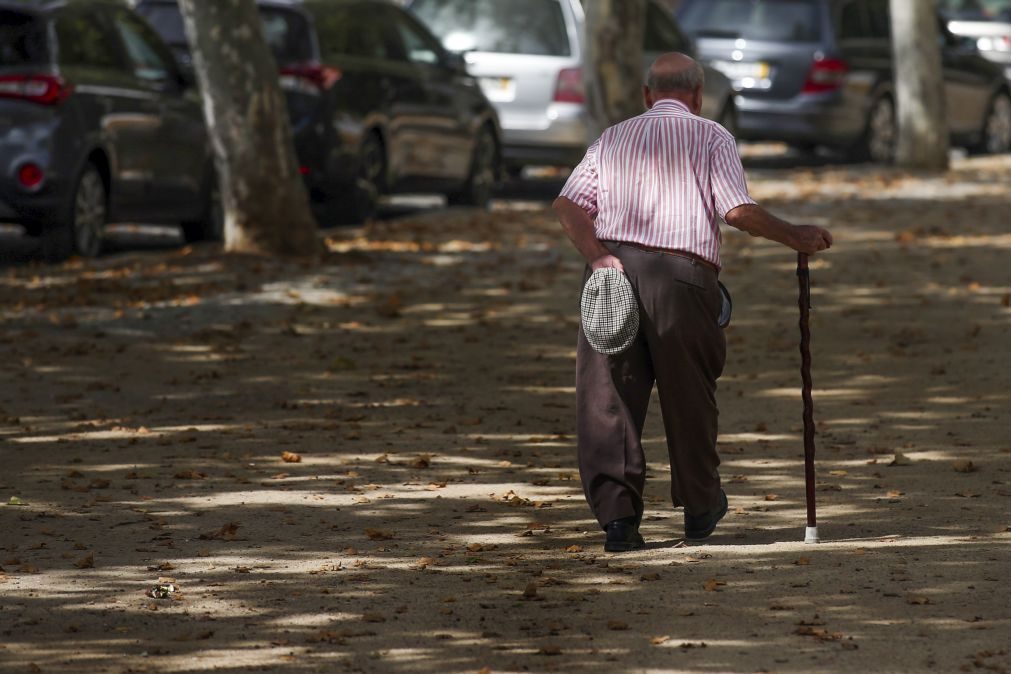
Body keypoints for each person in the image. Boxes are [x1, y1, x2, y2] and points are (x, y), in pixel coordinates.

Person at [553, 53, 832, 552]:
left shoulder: (613, 138)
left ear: (646, 95)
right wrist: (796, 236)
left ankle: (619, 521)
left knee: (607, 396)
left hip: (612, 274)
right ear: (699, 95)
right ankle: (700, 507)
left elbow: (568, 203)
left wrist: (596, 257)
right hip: (683, 281)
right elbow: (737, 210)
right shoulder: (712, 136)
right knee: (689, 396)